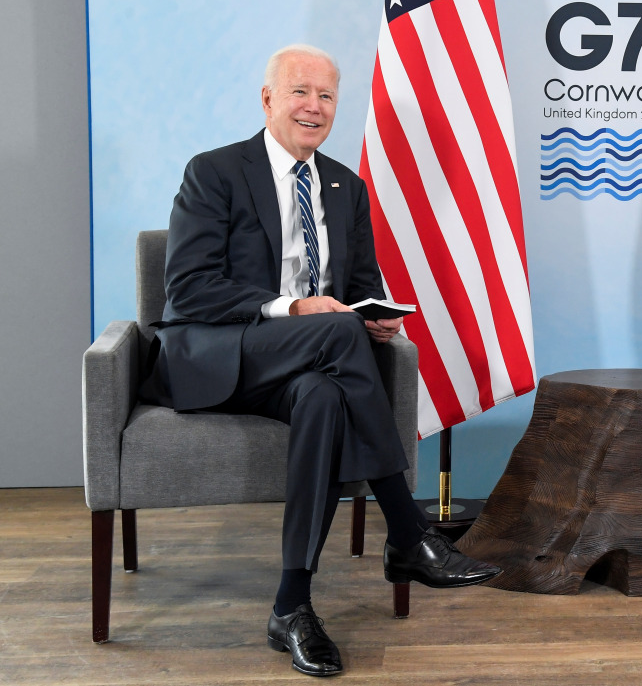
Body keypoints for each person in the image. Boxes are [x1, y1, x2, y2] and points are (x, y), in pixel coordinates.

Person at [141, 44, 501, 677]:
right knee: (335, 333)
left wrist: (373, 319)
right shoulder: (215, 172)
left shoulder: (345, 186)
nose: (314, 107)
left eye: (327, 96)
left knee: (326, 396)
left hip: (306, 366)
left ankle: (292, 603)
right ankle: (407, 528)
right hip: (218, 353)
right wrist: (293, 309)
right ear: (268, 99)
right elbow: (188, 291)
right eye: (300, 92)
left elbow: (361, 285)